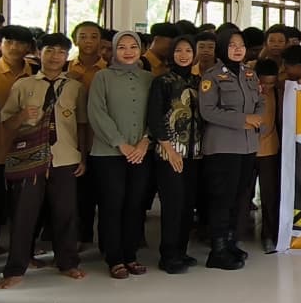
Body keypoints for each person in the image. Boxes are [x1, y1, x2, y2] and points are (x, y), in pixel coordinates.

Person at [0, 33, 87, 288]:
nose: (55, 57)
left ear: (67, 56)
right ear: (39, 53)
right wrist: (23, 115)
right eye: (50, 51)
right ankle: (15, 268)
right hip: (29, 158)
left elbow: (82, 124)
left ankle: (68, 262)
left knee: (66, 213)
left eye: (61, 52)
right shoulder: (23, 85)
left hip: (65, 157)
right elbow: (7, 123)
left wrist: (82, 156)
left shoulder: (75, 87)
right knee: (23, 214)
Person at [87, 31, 154, 279]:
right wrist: (121, 144)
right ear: (114, 50)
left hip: (141, 152)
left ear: (140, 50)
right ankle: (114, 258)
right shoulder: (102, 77)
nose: (128, 51)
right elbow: (97, 113)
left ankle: (131, 254)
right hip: (109, 154)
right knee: (112, 204)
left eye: (133, 46)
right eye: (122, 47)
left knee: (135, 205)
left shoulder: (149, 79)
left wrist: (145, 141)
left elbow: (156, 113)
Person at [198, 27, 264, 271]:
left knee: (239, 197)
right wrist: (243, 120)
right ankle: (217, 250)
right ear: (222, 48)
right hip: (223, 146)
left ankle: (230, 242)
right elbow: (208, 111)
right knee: (222, 198)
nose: (237, 49)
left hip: (247, 146)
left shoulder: (249, 74)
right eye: (232, 45)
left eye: (241, 45)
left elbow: (260, 101)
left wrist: (256, 117)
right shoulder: (212, 76)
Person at [0, 25, 35, 267]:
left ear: (28, 47)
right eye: (9, 41)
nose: (14, 47)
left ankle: (24, 255)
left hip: (30, 149)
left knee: (26, 207)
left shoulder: (36, 71)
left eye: (21, 43)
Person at [146, 33, 202, 273]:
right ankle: (168, 255)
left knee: (188, 204)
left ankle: (181, 251)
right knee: (172, 204)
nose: (183, 55)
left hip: (195, 153)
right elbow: (154, 117)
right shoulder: (162, 81)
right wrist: (169, 149)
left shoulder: (199, 82)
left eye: (188, 51)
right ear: (172, 54)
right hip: (169, 152)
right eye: (178, 50)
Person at [69, 21, 107, 246]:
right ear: (75, 40)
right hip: (72, 139)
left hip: (102, 140)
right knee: (79, 194)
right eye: (83, 36)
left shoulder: (109, 70)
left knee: (104, 193)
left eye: (94, 36)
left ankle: (106, 241)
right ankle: (81, 237)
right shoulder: (66, 69)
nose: (88, 41)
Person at [251, 57, 282, 254]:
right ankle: (235, 235)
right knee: (242, 194)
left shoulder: (279, 92)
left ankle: (269, 235)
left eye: (271, 83)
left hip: (270, 148)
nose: (267, 87)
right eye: (263, 83)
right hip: (247, 148)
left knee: (270, 196)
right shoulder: (246, 91)